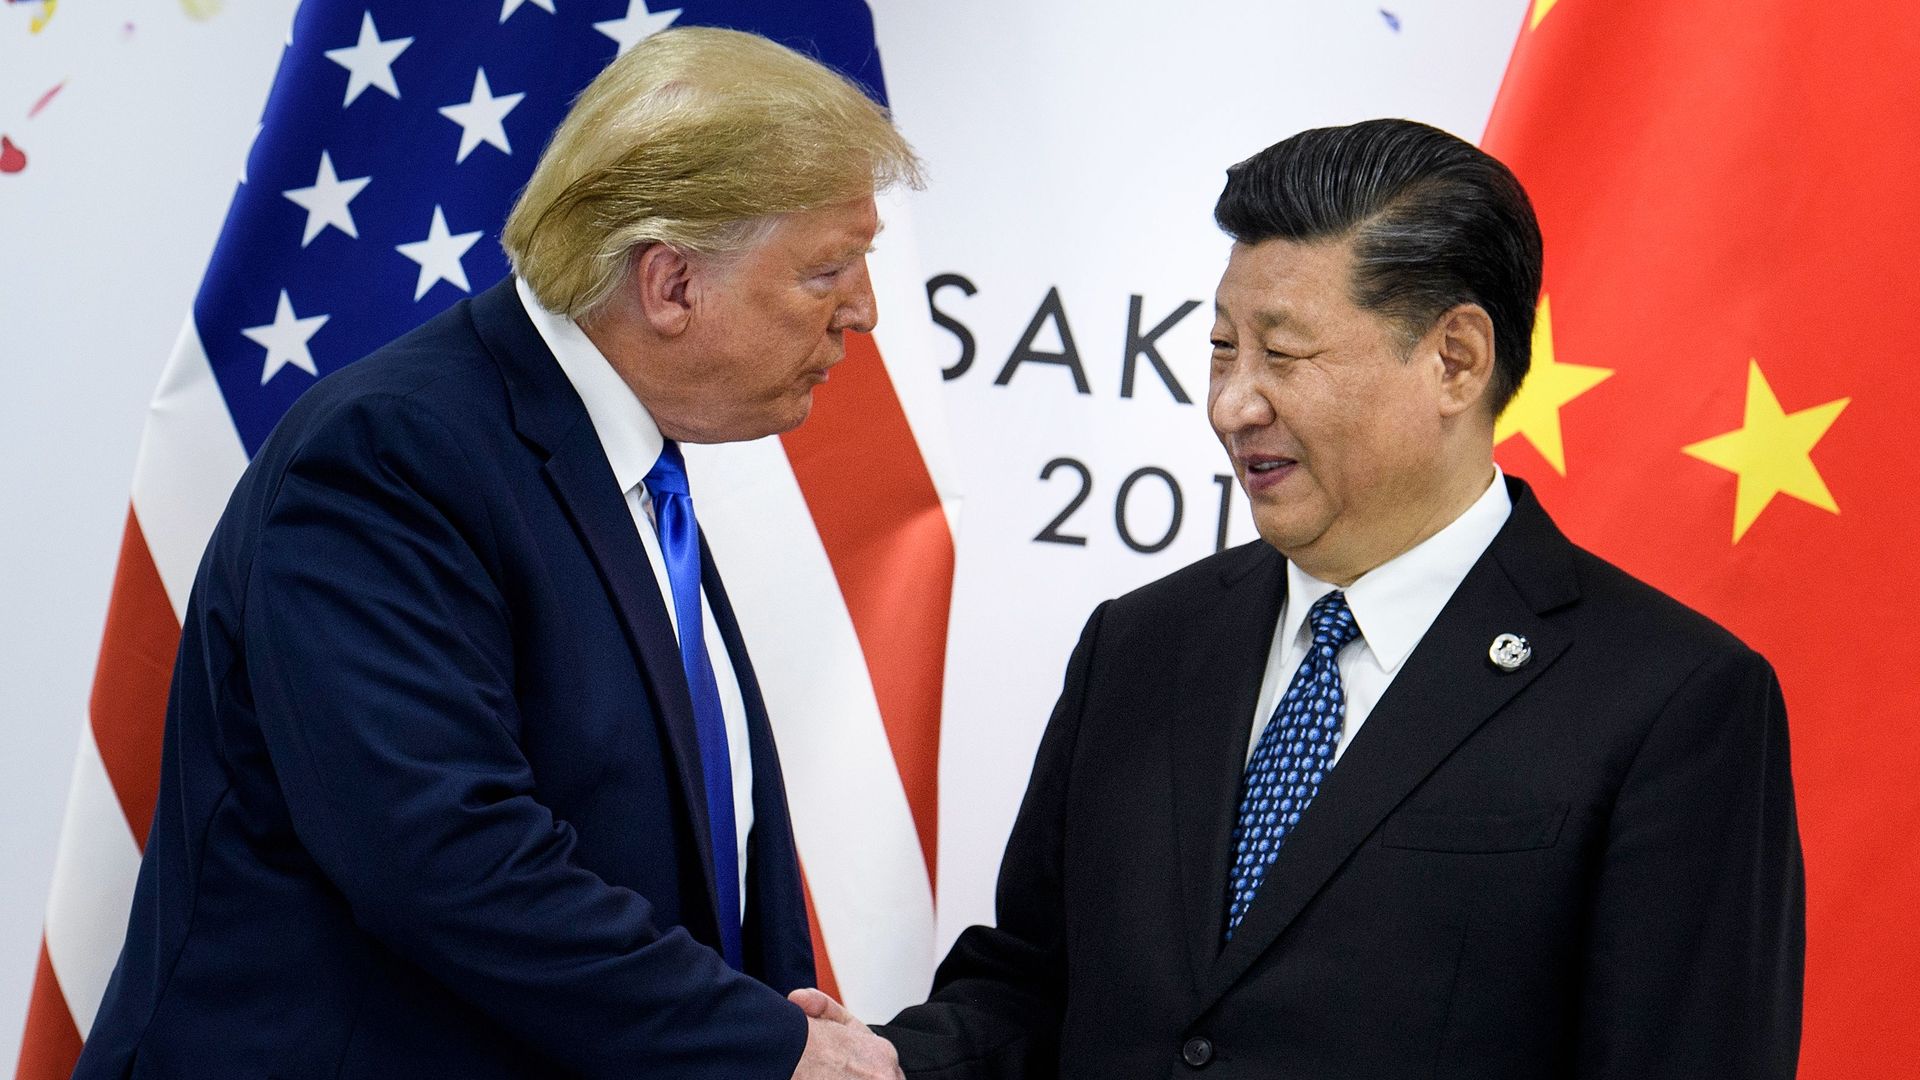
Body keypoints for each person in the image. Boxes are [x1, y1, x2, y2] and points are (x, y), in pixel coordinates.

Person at [845, 119, 1804, 1078]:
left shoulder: (1671, 701)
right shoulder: (1139, 645)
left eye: (1284, 354)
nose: (1233, 403)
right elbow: (1035, 991)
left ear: (1456, 360)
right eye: (1222, 349)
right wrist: (886, 1067)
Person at [75, 27, 916, 1080]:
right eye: (827, 269)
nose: (863, 313)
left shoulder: (624, 468)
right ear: (671, 284)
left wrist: (779, 1018)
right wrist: (767, 1048)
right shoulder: (392, 455)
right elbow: (445, 858)